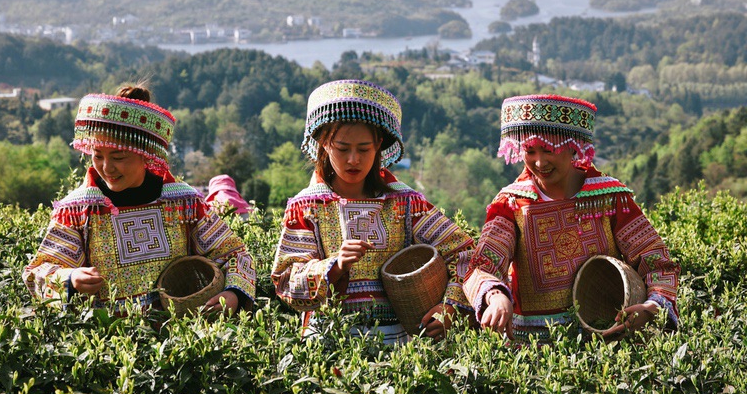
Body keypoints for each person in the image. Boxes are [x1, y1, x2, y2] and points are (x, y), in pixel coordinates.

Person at [272, 79, 475, 344]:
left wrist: (449, 308)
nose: (353, 159)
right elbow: (285, 280)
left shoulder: (407, 204)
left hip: (398, 351)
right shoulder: (306, 207)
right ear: (323, 142)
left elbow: (464, 254)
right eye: (342, 148)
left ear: (379, 143)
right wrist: (333, 267)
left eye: (364, 149)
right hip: (328, 348)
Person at [463, 94, 679, 342]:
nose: (539, 161)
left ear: (572, 146)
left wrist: (652, 307)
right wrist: (496, 296)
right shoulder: (511, 204)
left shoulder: (610, 197)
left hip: (609, 345)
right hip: (534, 353)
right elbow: (483, 265)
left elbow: (657, 262)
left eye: (548, 150)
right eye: (530, 151)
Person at [23, 85, 255, 314]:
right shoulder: (79, 210)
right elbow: (37, 272)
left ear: (146, 154)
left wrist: (233, 294)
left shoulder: (184, 203)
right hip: (108, 345)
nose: (107, 167)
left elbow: (235, 255)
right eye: (97, 156)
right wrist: (69, 277)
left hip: (179, 340)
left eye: (119, 156)